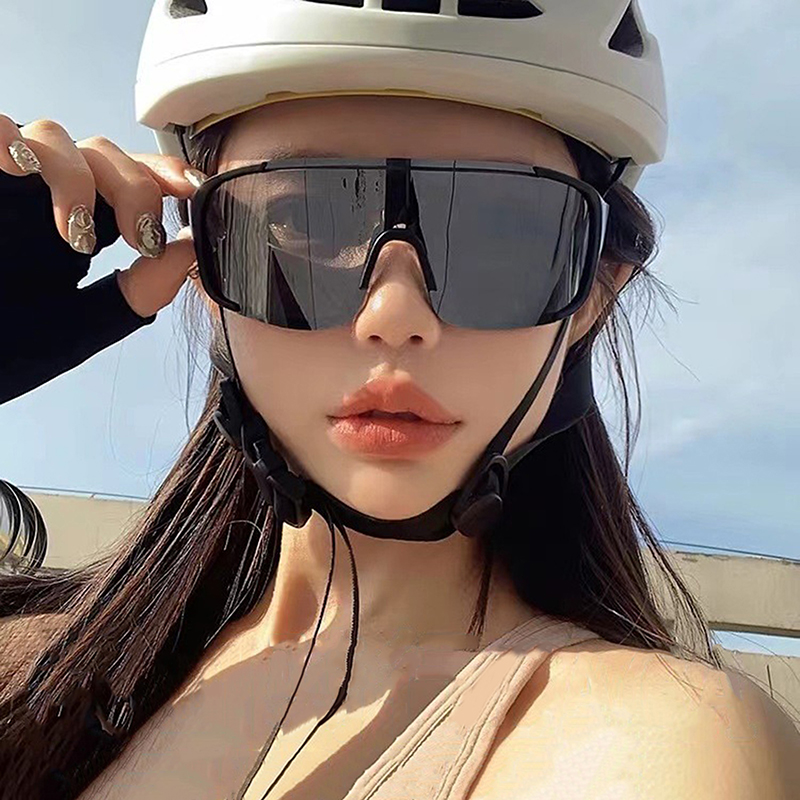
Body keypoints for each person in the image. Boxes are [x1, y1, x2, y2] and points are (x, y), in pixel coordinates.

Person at [0, 1, 798, 798]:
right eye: (304, 218)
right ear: (207, 263)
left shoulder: (657, 749)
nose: (395, 315)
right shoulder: (25, 668)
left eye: (502, 234)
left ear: (594, 293)